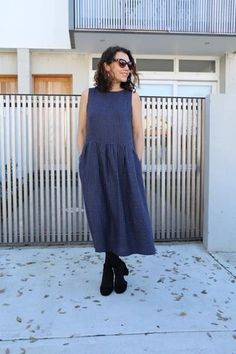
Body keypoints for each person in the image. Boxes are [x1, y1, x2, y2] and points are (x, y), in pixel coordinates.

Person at [77, 46, 156, 296]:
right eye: (121, 62)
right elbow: (81, 131)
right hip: (95, 163)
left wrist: (135, 163)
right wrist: (83, 161)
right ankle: (115, 265)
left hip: (124, 164)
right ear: (106, 66)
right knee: (101, 213)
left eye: (129, 64)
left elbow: (138, 134)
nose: (127, 67)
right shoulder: (88, 95)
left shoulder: (131, 97)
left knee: (122, 212)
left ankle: (111, 266)